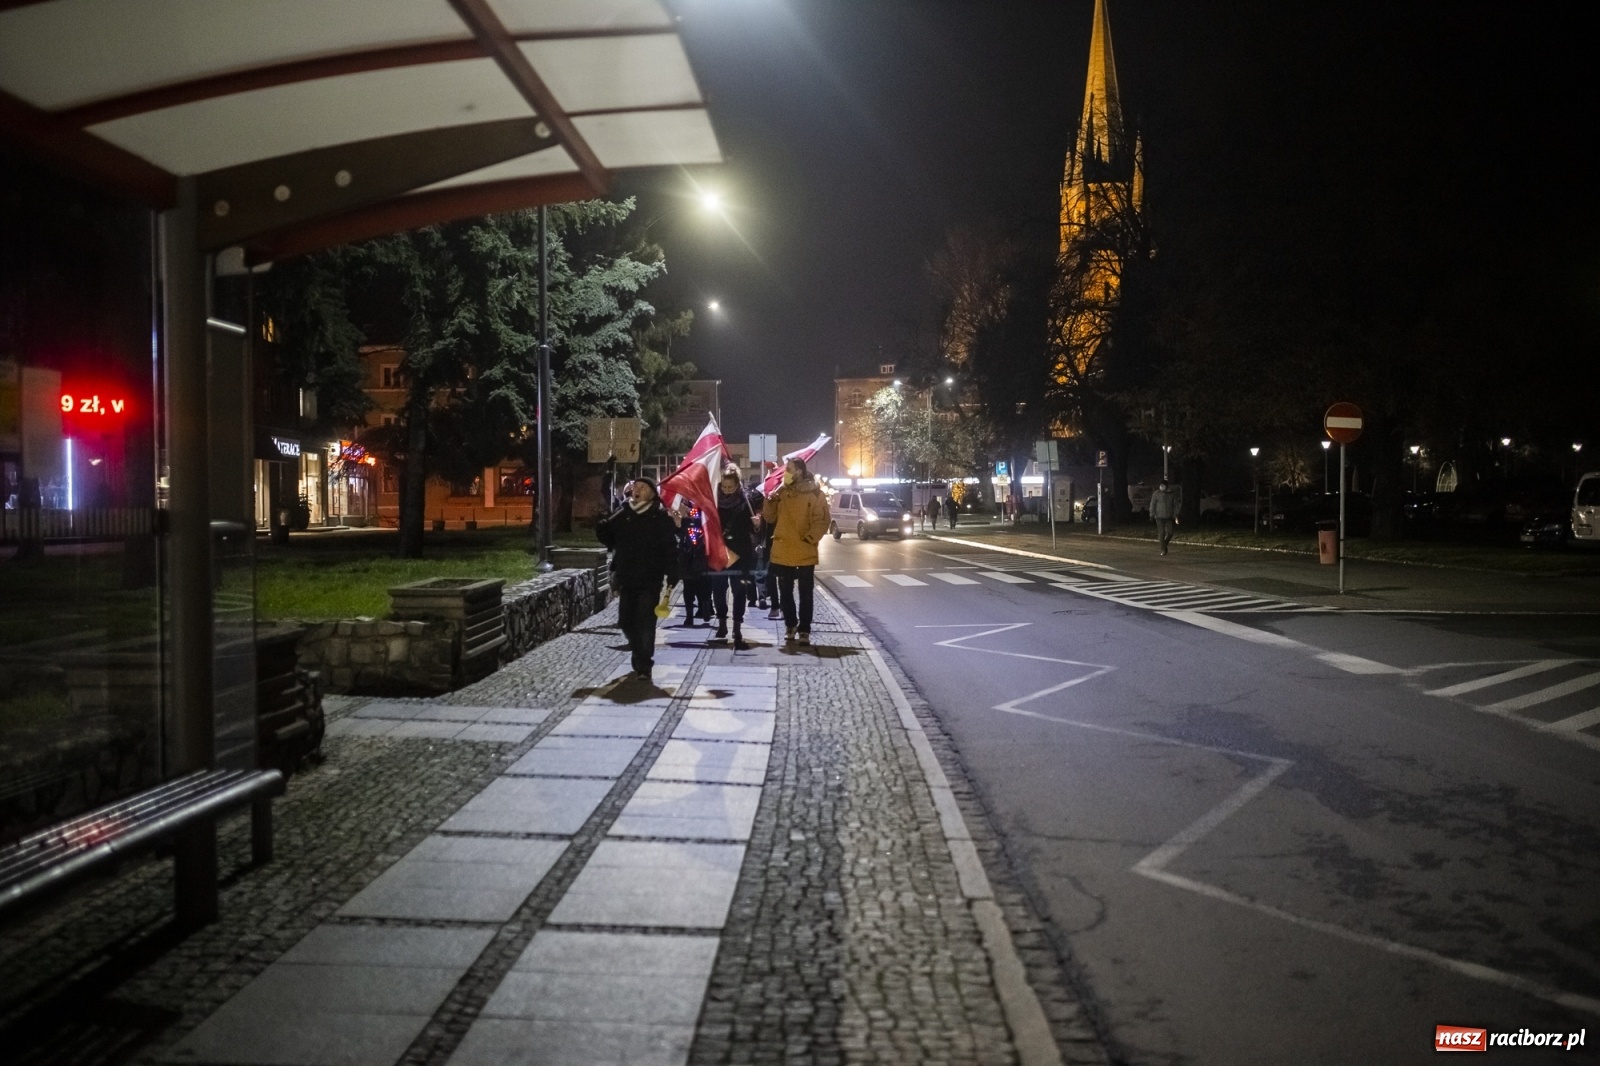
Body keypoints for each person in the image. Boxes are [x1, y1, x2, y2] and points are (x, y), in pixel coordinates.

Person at [596, 477, 679, 680]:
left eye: (642, 488)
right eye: (635, 487)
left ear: (652, 493)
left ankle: (644, 664)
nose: (637, 491)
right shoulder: (624, 514)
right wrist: (601, 527)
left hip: (650, 578)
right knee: (625, 621)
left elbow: (670, 548)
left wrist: (673, 573)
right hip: (626, 577)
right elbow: (610, 540)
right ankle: (638, 650)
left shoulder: (659, 518)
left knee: (645, 621)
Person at [762, 456, 831, 645]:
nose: (786, 473)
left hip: (804, 550)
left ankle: (804, 629)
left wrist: (809, 539)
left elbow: (822, 520)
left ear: (799, 472)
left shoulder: (816, 494)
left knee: (805, 593)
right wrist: (770, 501)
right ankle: (790, 624)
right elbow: (768, 518)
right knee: (785, 592)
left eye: (789, 469)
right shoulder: (782, 492)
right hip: (783, 549)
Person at [712, 465, 759, 650]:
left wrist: (756, 524)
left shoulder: (746, 501)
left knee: (739, 591)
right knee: (718, 589)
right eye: (724, 487)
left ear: (737, 485)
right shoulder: (713, 501)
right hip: (719, 552)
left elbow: (753, 529)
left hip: (740, 552)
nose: (727, 491)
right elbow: (703, 523)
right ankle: (722, 621)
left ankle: (737, 627)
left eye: (730, 487)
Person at [1149, 478, 1180, 555]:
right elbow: (1152, 504)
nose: (1161, 486)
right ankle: (1163, 549)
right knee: (1161, 533)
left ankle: (1164, 544)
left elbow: (1176, 505)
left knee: (1170, 532)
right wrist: (1152, 515)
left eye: (1163, 485)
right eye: (1160, 485)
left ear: (1166, 486)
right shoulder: (1156, 494)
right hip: (1159, 517)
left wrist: (1176, 514)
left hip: (1169, 517)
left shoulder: (1171, 494)